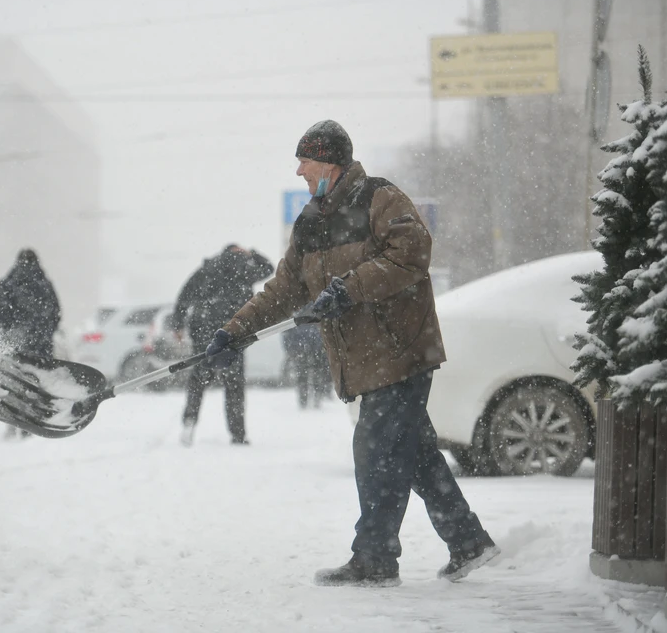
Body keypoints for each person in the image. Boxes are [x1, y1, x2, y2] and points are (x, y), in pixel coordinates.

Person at [203, 120, 498, 586]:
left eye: (306, 159)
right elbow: (283, 290)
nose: (299, 169)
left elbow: (411, 254)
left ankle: (375, 558)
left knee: (375, 450)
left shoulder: (381, 198)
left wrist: (350, 289)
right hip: (363, 357)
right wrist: (233, 331)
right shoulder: (312, 221)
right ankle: (468, 540)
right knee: (414, 452)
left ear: (331, 163)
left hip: (400, 350)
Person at [170, 244, 273, 447]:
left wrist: (178, 325)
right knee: (234, 385)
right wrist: (252, 253)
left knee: (198, 381)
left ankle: (189, 422)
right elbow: (269, 268)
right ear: (238, 252)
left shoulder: (206, 269)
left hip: (204, 330)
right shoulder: (243, 268)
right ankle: (238, 434)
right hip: (232, 330)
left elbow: (184, 295)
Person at [0, 249, 62, 438]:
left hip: (14, 343)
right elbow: (55, 313)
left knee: (12, 382)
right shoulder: (44, 284)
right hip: (39, 345)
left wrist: (10, 331)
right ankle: (31, 422)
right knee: (35, 383)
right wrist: (43, 334)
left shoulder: (7, 283)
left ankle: (11, 421)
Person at [281, 304, 331, 409]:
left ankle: (312, 398)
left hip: (311, 346)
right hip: (306, 346)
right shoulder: (308, 305)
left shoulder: (301, 306)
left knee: (311, 373)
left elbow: (287, 331)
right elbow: (287, 331)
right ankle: (307, 399)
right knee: (307, 374)